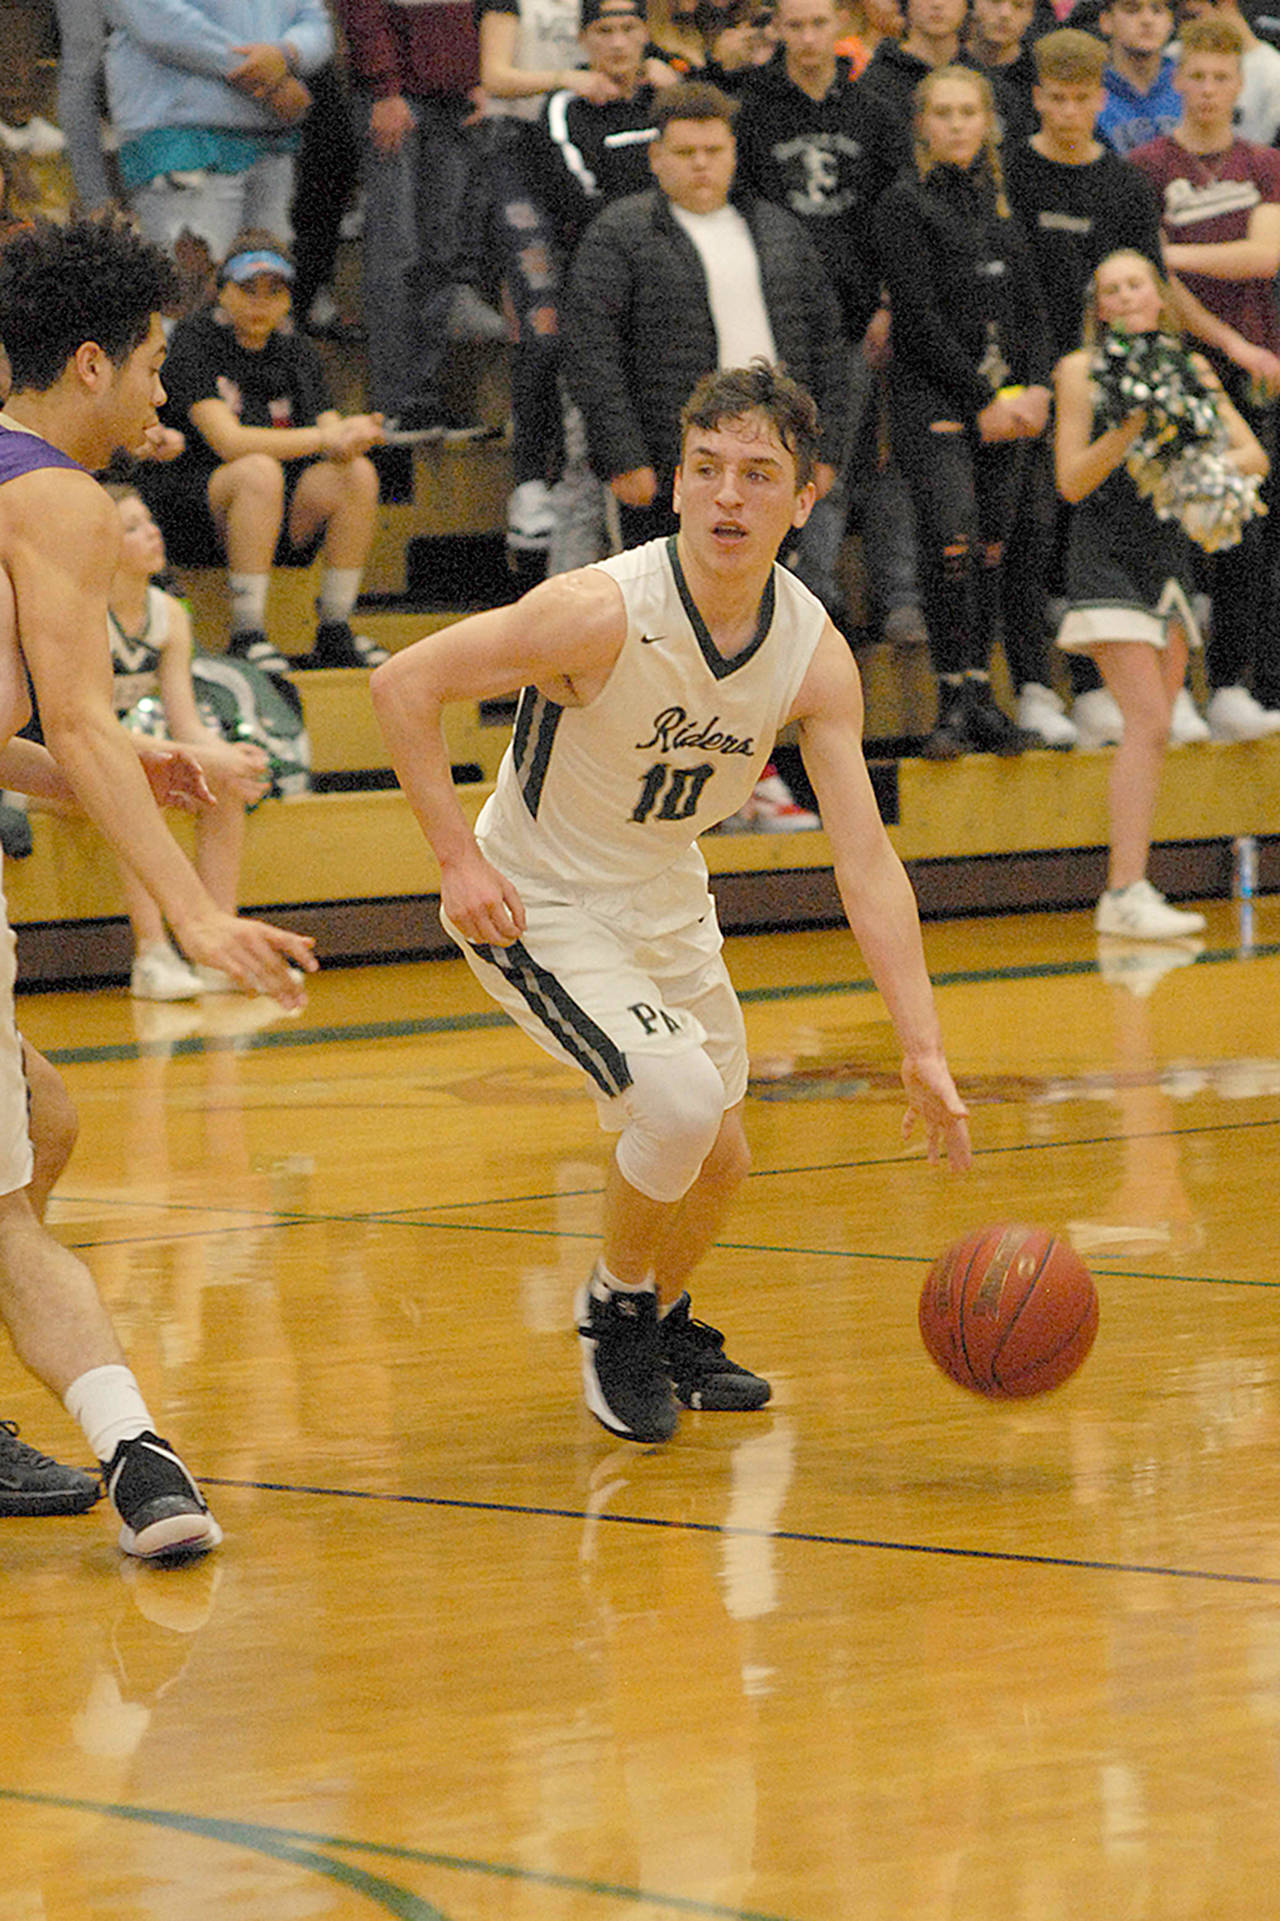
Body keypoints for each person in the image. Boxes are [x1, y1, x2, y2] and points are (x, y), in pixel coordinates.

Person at [371, 360, 971, 1445]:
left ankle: (661, 1317)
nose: (728, 495)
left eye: (757, 473)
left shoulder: (809, 651)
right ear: (677, 485)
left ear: (804, 497)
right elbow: (401, 685)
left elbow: (866, 863)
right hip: (539, 898)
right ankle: (615, 1308)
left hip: (663, 897)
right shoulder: (594, 612)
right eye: (706, 469)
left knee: (721, 1154)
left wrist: (919, 1045)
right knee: (681, 1107)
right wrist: (459, 863)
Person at [0, 213, 317, 1555]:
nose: (157, 392)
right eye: (147, 366)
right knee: (10, 1200)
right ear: (87, 364)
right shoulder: (59, 496)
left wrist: (123, 769)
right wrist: (193, 910)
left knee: (46, 1126)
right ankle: (140, 1452)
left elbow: (42, 743)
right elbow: (72, 718)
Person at [1054, 249, 1265, 937]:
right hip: (1104, 560)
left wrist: (1186, 460)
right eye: (1109, 288)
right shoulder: (1081, 371)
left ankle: (1129, 888)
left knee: (1155, 730)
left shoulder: (1192, 368)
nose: (1123, 295)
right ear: (1099, 306)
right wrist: (1134, 431)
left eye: (1134, 283)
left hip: (1168, 564)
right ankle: (1122, 891)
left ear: (1158, 296)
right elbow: (1071, 481)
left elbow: (1253, 456)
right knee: (1148, 718)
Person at [561, 83, 852, 551]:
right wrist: (623, 457)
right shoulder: (620, 232)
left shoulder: (780, 231)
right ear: (655, 156)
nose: (701, 163)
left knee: (765, 596)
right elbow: (591, 352)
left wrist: (827, 451)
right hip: (665, 462)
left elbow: (828, 347)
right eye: (685, 151)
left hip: (772, 454)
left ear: (734, 152)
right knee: (658, 601)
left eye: (713, 150)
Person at [872, 65, 1053, 756]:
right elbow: (915, 319)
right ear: (922, 122)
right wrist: (984, 399)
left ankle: (984, 694)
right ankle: (950, 699)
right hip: (937, 401)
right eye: (942, 112)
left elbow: (1032, 309)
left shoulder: (1001, 205)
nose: (955, 124)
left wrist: (1033, 387)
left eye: (967, 112)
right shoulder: (904, 203)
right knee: (950, 541)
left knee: (992, 552)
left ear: (987, 122)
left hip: (1005, 406)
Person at [137, 231, 388, 677]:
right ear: (222, 289)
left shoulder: (296, 349)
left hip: (275, 513)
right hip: (192, 507)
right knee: (258, 470)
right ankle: (247, 632)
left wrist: (352, 434)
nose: (261, 302)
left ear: (290, 299)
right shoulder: (195, 340)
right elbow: (228, 442)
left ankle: (335, 626)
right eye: (247, 289)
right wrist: (325, 438)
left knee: (358, 474)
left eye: (275, 291)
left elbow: (329, 428)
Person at [1130, 12, 1280, 738]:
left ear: (1239, 84)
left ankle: (1231, 685)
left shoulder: (1264, 165)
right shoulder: (1148, 169)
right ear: (1179, 80)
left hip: (1260, 367)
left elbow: (1265, 257)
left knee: (1251, 529)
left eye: (1226, 78)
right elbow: (1156, 291)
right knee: (1180, 531)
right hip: (1185, 365)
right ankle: (1175, 692)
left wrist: (1174, 255)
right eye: (1201, 76)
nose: (1212, 89)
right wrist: (1222, 337)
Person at [105, 485, 274, 1000]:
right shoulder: (82, 613)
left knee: (221, 778)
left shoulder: (169, 614)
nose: (151, 531)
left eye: (149, 519)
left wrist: (227, 756)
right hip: (65, 761)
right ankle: (152, 954)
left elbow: (185, 721)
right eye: (131, 527)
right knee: (131, 781)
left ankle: (220, 947)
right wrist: (200, 755)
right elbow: (90, 732)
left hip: (138, 747)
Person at [337, 0, 506, 437]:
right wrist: (384, 90)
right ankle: (393, 403)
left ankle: (426, 395)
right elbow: (363, 13)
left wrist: (474, 78)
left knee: (441, 254)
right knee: (396, 253)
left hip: (452, 99)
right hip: (396, 99)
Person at [102, 0, 333, 269]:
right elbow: (156, 18)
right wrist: (266, 75)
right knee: (191, 293)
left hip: (270, 141)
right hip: (181, 142)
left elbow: (315, 21)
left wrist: (288, 53)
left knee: (266, 293)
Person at [1096, 0, 1182, 156]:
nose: (1147, 20)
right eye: (1132, 10)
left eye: (1157, 10)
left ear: (1171, 22)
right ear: (1106, 21)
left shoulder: (1192, 85)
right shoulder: (1088, 93)